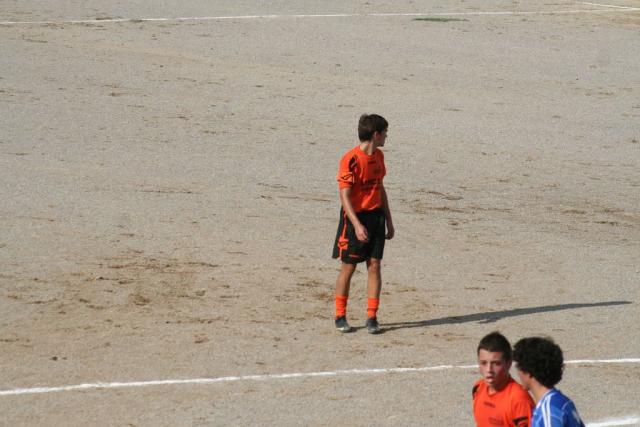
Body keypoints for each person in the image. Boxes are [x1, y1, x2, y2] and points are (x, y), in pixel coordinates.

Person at [332, 114, 394, 334]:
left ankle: (372, 317)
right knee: (349, 266)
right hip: (354, 218)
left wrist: (388, 219)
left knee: (374, 265)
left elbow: (380, 188)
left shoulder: (379, 157)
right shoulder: (350, 159)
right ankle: (340, 315)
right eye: (385, 133)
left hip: (376, 217)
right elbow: (345, 196)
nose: (386, 136)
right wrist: (357, 225)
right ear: (376, 134)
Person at [513, 337, 585, 427]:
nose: (518, 373)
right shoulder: (562, 401)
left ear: (529, 373)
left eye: (519, 367)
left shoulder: (548, 412)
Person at [473, 332, 534, 427]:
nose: (489, 370)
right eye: (484, 363)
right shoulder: (478, 387)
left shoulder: (519, 400)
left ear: (509, 363)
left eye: (496, 363)